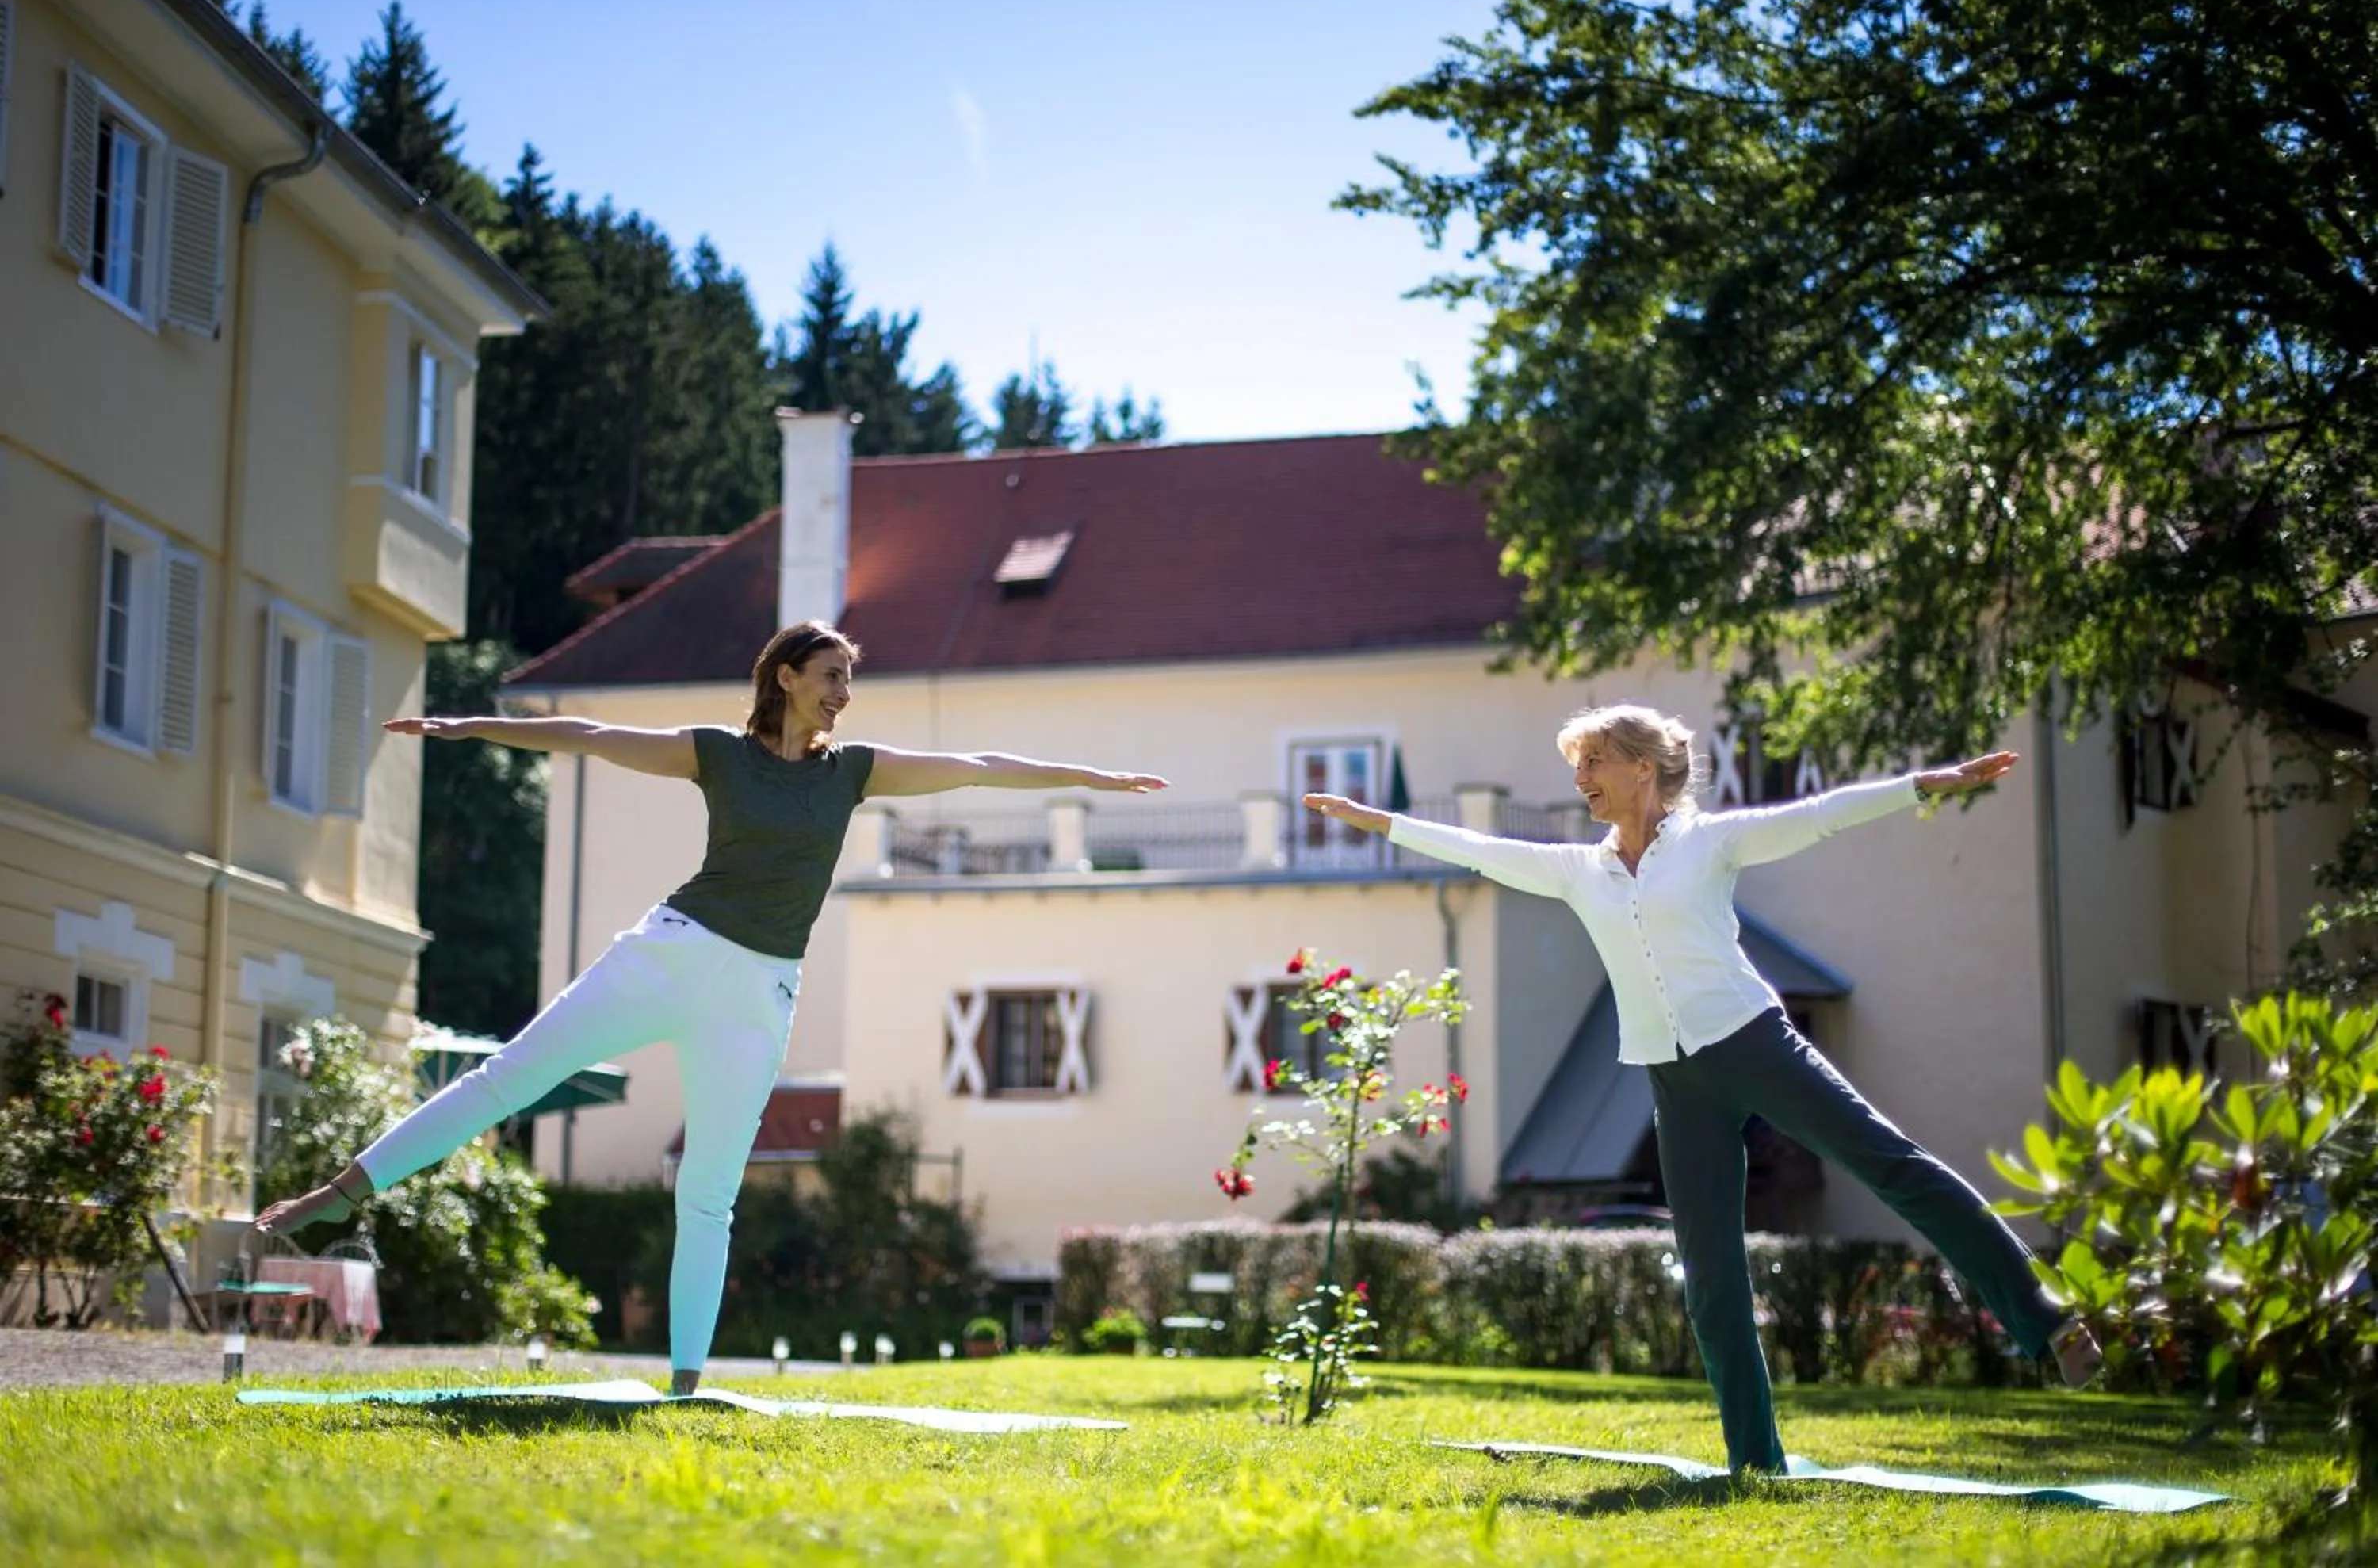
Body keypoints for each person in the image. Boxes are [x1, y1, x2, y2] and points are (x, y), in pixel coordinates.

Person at [257, 620, 1165, 1394]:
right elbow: (588, 733)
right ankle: (336, 1197)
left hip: (759, 992)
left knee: (710, 1195)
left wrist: (1092, 778)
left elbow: (975, 766)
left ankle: (685, 1385)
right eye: (831, 675)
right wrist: (468, 726)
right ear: (785, 677)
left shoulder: (851, 771)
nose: (844, 692)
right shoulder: (717, 754)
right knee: (510, 1078)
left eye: (851, 678)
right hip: (671, 953)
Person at [1302, 703, 2101, 1474]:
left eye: (1595, 761)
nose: (1582, 777)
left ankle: (2046, 1323)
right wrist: (1377, 822)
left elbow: (1820, 813)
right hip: (1674, 1078)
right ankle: (1756, 1460)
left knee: (1894, 1165)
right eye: (1577, 763)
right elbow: (1479, 848)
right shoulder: (1581, 872)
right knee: (1712, 1273)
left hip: (1756, 1044)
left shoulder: (1711, 843)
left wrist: (1924, 783)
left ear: (1643, 768)